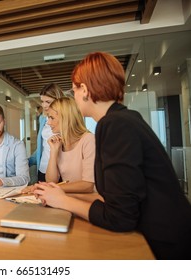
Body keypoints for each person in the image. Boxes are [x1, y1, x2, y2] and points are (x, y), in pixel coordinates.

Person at [33, 52, 191, 259]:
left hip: (166, 245)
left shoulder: (114, 125)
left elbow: (120, 217)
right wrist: (59, 194)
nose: (73, 97)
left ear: (86, 91)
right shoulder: (123, 119)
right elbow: (113, 198)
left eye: (74, 90)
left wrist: (63, 201)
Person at [44, 96, 95, 192]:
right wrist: (54, 152)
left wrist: (50, 188)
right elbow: (51, 181)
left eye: (51, 118)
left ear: (65, 118)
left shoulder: (88, 140)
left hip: (90, 201)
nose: (48, 123)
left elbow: (88, 185)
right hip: (68, 199)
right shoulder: (59, 144)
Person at [28, 83, 63, 182]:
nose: (44, 105)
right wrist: (26, 161)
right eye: (42, 101)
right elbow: (42, 146)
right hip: (43, 168)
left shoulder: (66, 119)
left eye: (48, 102)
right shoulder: (43, 118)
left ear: (58, 100)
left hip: (60, 169)